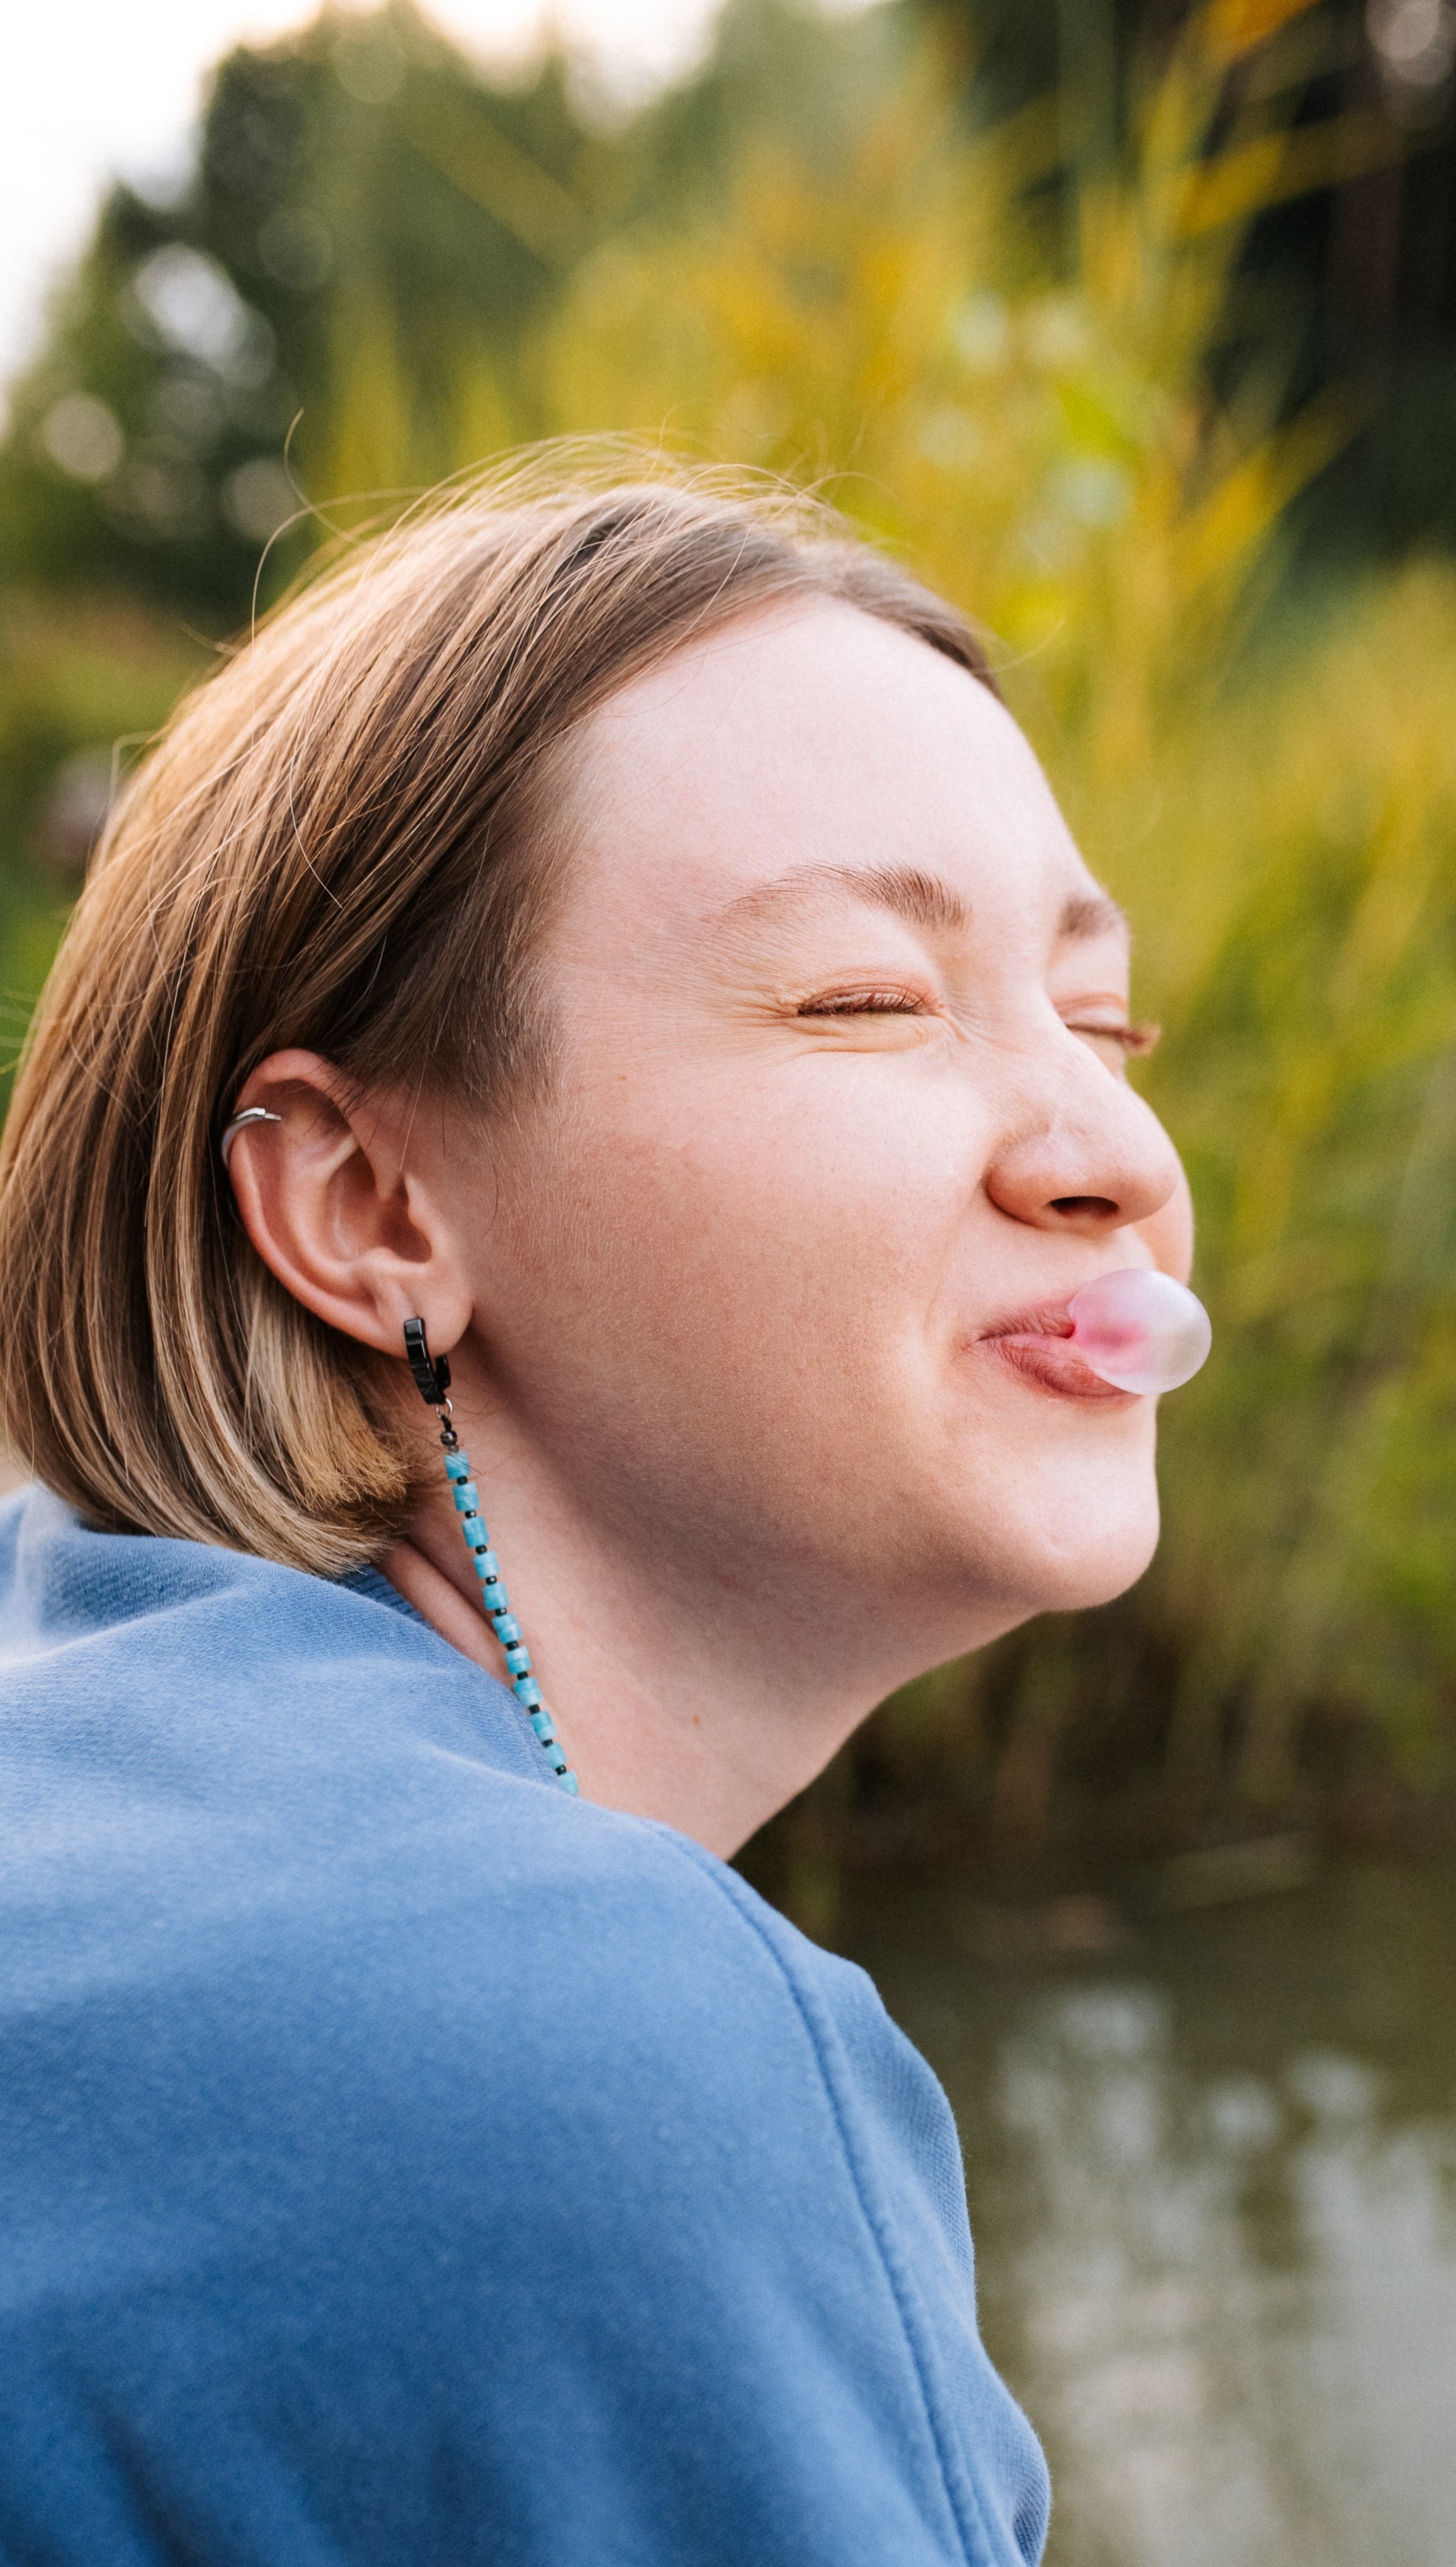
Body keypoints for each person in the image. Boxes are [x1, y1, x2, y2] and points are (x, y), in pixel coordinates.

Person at [0, 465, 1192, 2564]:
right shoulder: (577, 2051)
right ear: (370, 1209)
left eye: (1099, 1019)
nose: (1107, 1147)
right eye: (864, 999)